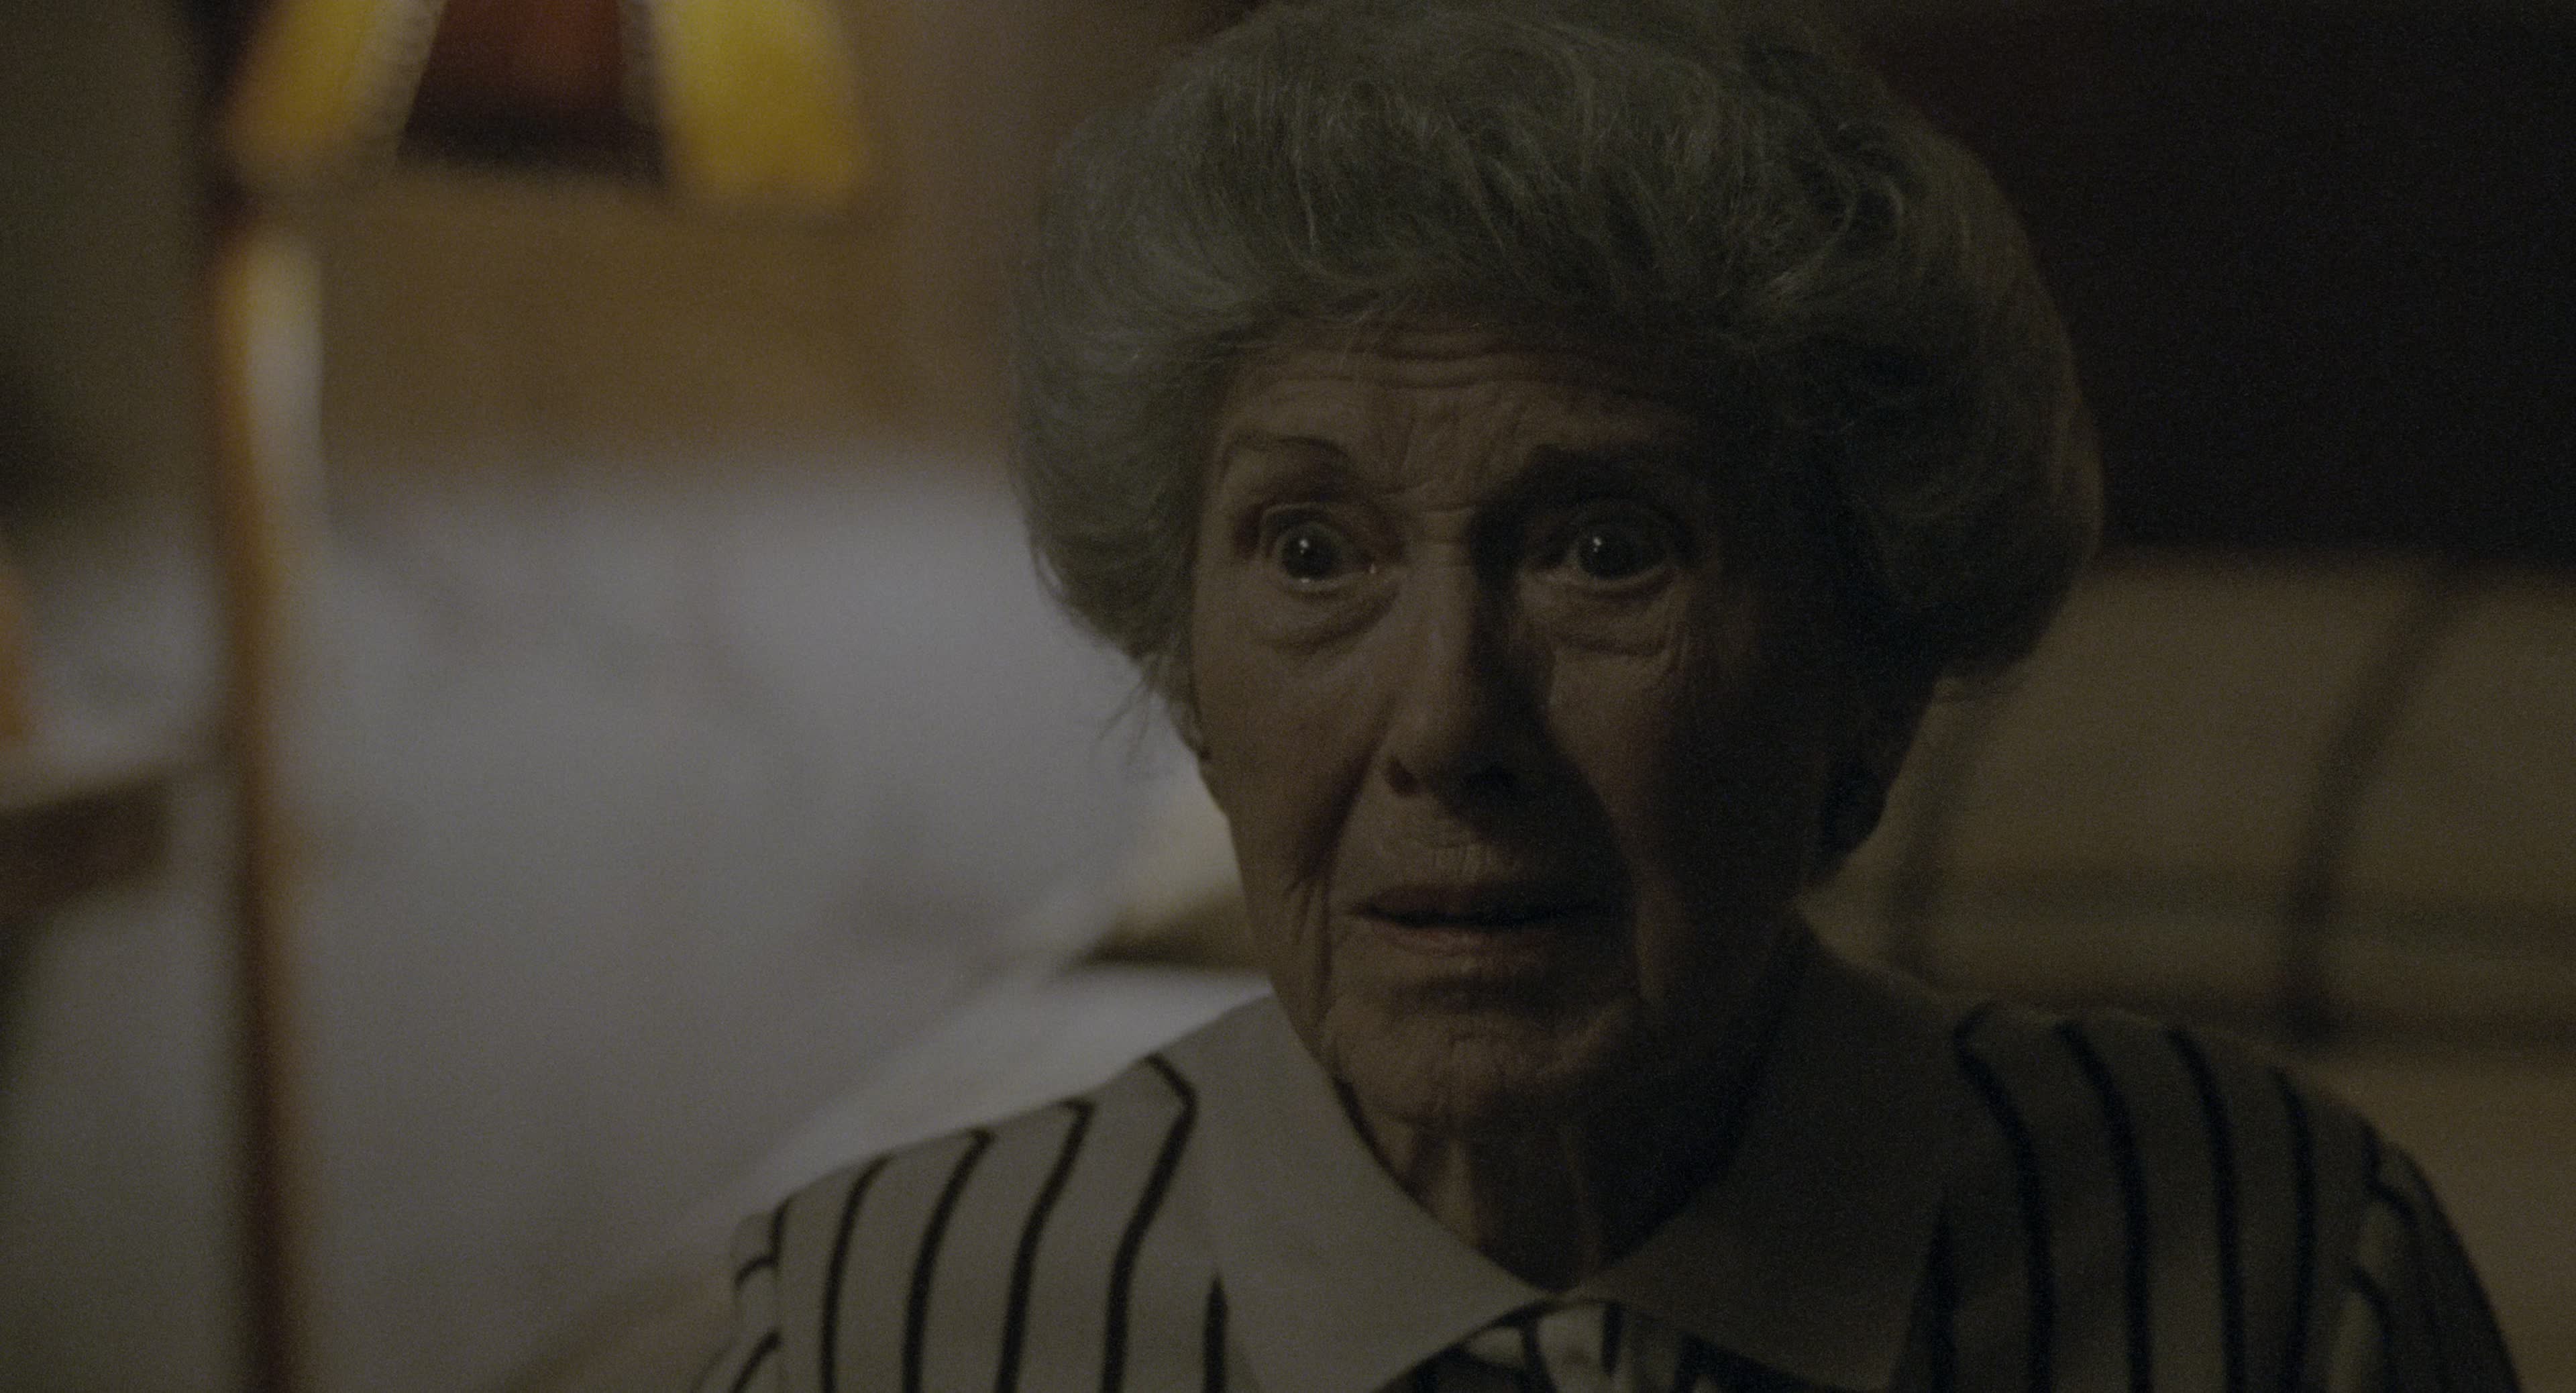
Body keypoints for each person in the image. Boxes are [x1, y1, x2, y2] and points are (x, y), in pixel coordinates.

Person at [696, 0, 2518, 1388]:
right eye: (1314, 553)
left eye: (1606, 547)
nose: (1444, 726)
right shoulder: (876, 1323)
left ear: (1868, 686)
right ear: (1190, 683)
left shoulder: (2286, 1267)